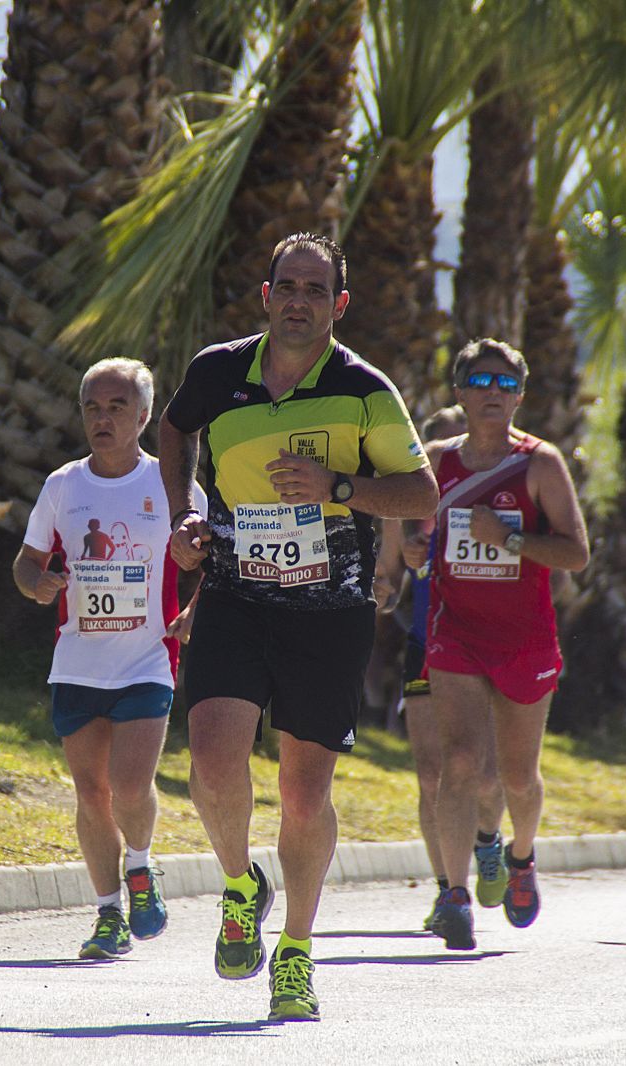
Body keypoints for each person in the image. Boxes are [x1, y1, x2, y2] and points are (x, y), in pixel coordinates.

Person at [160, 233, 438, 1021]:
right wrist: (188, 508)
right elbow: (174, 430)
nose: (299, 301)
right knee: (211, 762)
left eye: (317, 290)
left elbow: (420, 495)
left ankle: (297, 954)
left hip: (330, 609)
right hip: (235, 593)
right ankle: (243, 884)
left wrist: (338, 485)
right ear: (266, 293)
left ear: (338, 306)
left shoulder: (363, 389)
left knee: (304, 793)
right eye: (288, 285)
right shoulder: (219, 372)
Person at [14, 358, 204, 960]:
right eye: (93, 406)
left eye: (117, 407)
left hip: (148, 660)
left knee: (128, 785)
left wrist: (196, 609)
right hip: (76, 663)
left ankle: (142, 869)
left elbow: (211, 554)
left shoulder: (172, 485)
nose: (102, 417)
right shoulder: (62, 485)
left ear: (144, 416)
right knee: (90, 794)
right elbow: (27, 561)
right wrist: (36, 584)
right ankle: (107, 914)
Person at [407, 339, 590, 951]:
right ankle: (454, 896)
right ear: (459, 392)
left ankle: (521, 855)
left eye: (507, 385)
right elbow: (406, 523)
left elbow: (576, 552)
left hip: (524, 641)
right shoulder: (436, 460)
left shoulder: (539, 464)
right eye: (481, 382)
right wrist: (408, 552)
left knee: (516, 778)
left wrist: (508, 541)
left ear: (520, 397)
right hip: (455, 632)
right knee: (458, 762)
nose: (494, 393)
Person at [377, 404, 509, 933]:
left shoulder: (501, 498)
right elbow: (388, 581)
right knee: (433, 772)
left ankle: (487, 840)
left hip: (491, 647)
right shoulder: (410, 502)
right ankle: (447, 892)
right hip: (427, 641)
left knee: (490, 777)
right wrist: (397, 571)